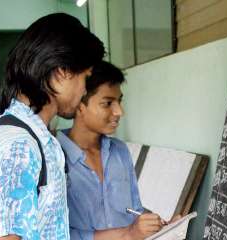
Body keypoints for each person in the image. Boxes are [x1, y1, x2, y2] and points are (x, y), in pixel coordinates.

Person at [0, 13, 104, 240]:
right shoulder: (17, 144)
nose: (85, 91)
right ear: (62, 73)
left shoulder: (39, 140)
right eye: (85, 79)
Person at [57, 61, 176, 240]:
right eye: (107, 103)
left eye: (119, 101)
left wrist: (161, 225)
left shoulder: (119, 151)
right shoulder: (54, 156)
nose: (119, 111)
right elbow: (55, 233)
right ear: (80, 105)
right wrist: (128, 234)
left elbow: (134, 210)